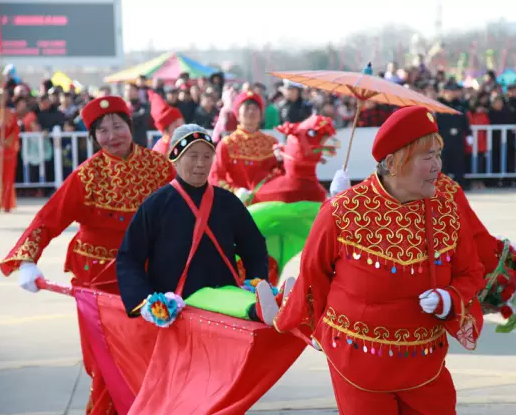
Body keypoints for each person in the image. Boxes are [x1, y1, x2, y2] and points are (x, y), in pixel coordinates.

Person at [274, 106, 485, 415]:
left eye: (438, 155)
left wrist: (450, 299)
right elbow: (313, 276)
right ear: (393, 162)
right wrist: (314, 329)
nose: (437, 166)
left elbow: (470, 271)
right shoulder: (341, 212)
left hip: (425, 361)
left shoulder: (447, 201)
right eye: (427, 157)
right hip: (357, 361)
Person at [1, 95, 175, 414]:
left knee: (144, 357)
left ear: (130, 127)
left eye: (118, 126)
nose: (112, 136)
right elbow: (49, 218)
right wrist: (27, 259)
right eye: (103, 131)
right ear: (93, 138)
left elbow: (185, 216)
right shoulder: (87, 175)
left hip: (146, 278)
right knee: (104, 361)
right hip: (96, 280)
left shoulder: (160, 167)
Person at [116, 124, 294, 326]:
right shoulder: (156, 204)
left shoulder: (227, 201)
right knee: (231, 304)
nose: (201, 164)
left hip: (226, 292)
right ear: (175, 158)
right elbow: (129, 257)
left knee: (231, 301)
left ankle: (277, 305)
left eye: (207, 156)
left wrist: (255, 280)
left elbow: (254, 245)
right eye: (193, 156)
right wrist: (145, 301)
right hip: (177, 303)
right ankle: (267, 308)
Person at [208, 90, 282, 202]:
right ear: (238, 114)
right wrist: (235, 192)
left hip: (266, 204)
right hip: (237, 203)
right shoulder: (227, 143)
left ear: (261, 115)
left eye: (255, 108)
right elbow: (216, 177)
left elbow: (281, 173)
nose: (251, 111)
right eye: (247, 108)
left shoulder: (271, 142)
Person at [149, 90, 185, 154]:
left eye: (182, 125)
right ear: (167, 129)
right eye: (176, 126)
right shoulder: (164, 147)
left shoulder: (181, 143)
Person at [1, 103, 20, 212]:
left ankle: (6, 204)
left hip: (7, 151)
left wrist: (6, 142)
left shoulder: (10, 114)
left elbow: (15, 130)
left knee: (7, 178)